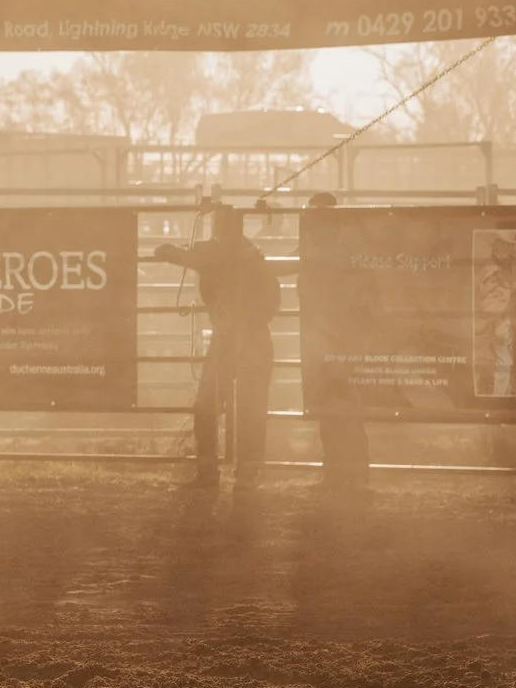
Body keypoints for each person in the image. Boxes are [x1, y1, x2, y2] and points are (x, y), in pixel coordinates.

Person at [156, 203, 280, 494]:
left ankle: (210, 470)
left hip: (230, 337)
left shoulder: (218, 254)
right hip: (252, 337)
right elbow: (272, 299)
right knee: (249, 407)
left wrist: (171, 252)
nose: (219, 230)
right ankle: (246, 473)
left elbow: (174, 253)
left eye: (221, 225)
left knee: (210, 404)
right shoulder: (251, 255)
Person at [300, 192, 370, 503]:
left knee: (345, 403)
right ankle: (339, 471)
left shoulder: (339, 249)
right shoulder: (320, 248)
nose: (321, 225)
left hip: (340, 334)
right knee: (330, 404)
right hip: (325, 334)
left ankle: (351, 473)